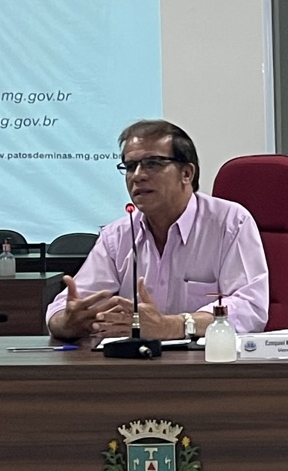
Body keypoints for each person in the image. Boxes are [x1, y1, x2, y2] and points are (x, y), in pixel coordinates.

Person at [46, 119, 269, 344]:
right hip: (135, 363)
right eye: (130, 167)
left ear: (186, 173)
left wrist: (172, 326)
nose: (137, 175)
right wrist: (66, 322)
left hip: (208, 361)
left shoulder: (229, 223)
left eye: (152, 164)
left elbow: (250, 307)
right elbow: (63, 309)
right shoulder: (117, 237)